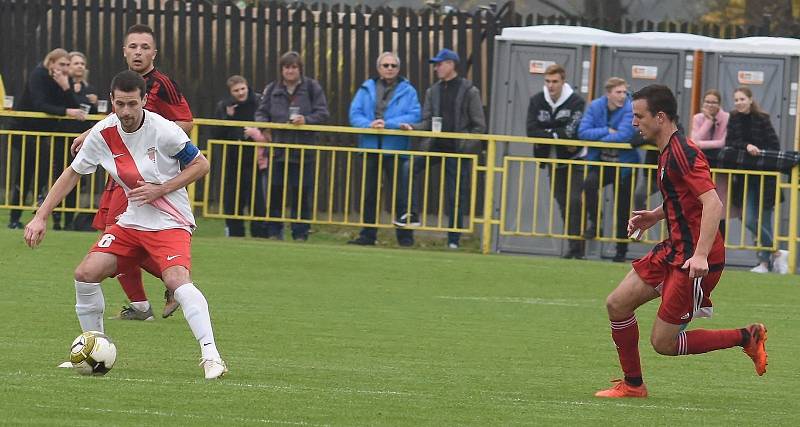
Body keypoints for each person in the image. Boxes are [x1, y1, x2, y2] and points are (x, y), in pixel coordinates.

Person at [23, 70, 227, 379]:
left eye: (133, 104)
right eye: (120, 104)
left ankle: (211, 356)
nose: (127, 111)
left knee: (176, 280)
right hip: (132, 221)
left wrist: (161, 188)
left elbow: (202, 164)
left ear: (144, 100)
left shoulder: (165, 130)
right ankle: (93, 348)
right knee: (86, 274)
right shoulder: (103, 133)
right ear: (112, 102)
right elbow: (72, 173)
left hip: (170, 220)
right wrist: (41, 216)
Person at [594, 84, 767, 399]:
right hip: (674, 250)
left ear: (660, 117)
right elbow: (684, 197)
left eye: (639, 116)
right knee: (616, 304)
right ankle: (633, 385)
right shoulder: (667, 150)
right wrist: (657, 215)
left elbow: (713, 204)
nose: (634, 123)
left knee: (664, 344)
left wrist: (700, 256)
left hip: (694, 260)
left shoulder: (683, 152)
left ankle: (747, 336)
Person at [72, 24, 193, 320]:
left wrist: (154, 140)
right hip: (121, 173)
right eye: (133, 46)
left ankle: (176, 284)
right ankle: (146, 301)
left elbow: (186, 122)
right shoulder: (123, 84)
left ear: (154, 52)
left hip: (148, 178)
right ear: (124, 51)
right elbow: (115, 119)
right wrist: (90, 133)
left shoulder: (162, 84)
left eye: (144, 47)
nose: (138, 52)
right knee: (114, 237)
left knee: (120, 238)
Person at [399, 48, 486, 249]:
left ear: (451, 64)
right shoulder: (433, 91)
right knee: (408, 167)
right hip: (434, 145)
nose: (436, 68)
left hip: (457, 149)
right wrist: (413, 127)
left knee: (455, 194)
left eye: (439, 64)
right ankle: (411, 213)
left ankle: (453, 239)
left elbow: (479, 126)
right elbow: (427, 120)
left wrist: (465, 144)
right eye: (435, 64)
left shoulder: (469, 90)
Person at [7, 48, 86, 230]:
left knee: (43, 171)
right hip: (24, 130)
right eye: (61, 64)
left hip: (43, 134)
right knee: (25, 173)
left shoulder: (63, 79)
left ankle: (40, 204)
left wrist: (65, 87)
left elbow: (76, 108)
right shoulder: (38, 75)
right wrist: (66, 111)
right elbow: (40, 104)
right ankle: (15, 216)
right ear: (51, 63)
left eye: (67, 65)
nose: (65, 68)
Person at [255, 51, 329, 241]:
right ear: (282, 70)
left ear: (300, 69)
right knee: (275, 191)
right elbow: (261, 113)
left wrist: (306, 120)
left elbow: (323, 113)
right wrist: (266, 127)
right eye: (287, 67)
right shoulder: (272, 89)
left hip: (304, 150)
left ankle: (300, 232)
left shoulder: (312, 87)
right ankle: (273, 231)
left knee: (301, 192)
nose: (290, 70)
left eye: (294, 67)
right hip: (278, 149)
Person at [348, 52, 421, 247]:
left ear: (398, 69)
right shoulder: (366, 88)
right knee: (369, 193)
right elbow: (354, 114)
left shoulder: (408, 90)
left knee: (401, 194)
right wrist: (369, 124)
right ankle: (367, 235)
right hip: (371, 146)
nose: (389, 68)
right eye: (386, 65)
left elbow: (414, 115)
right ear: (378, 68)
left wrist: (388, 124)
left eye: (393, 65)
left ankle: (405, 238)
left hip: (395, 147)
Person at [523, 63, 586, 258]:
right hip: (552, 160)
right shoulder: (536, 100)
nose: (551, 85)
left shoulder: (576, 102)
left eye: (555, 81)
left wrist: (549, 132)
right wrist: (556, 133)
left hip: (574, 159)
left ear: (563, 81)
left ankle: (578, 245)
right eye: (548, 81)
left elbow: (571, 131)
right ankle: (573, 244)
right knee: (562, 202)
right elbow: (531, 130)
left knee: (574, 201)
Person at [578, 77, 639, 262]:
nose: (622, 96)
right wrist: (606, 130)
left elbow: (624, 136)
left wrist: (598, 138)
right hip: (601, 162)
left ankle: (621, 250)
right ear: (608, 93)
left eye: (624, 92)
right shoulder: (596, 106)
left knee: (622, 208)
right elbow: (582, 132)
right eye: (618, 92)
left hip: (625, 166)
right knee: (589, 185)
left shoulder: (630, 108)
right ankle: (595, 223)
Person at [725, 87, 781, 273]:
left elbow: (774, 144)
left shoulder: (762, 118)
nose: (739, 102)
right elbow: (731, 142)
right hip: (745, 178)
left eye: (742, 99)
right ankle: (777, 252)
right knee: (748, 219)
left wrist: (758, 149)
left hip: (766, 176)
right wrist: (746, 146)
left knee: (764, 221)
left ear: (750, 100)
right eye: (736, 99)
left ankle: (764, 263)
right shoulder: (733, 118)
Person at [212, 75, 268, 238]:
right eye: (236, 90)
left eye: (242, 88)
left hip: (256, 156)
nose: (240, 93)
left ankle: (260, 232)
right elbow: (216, 133)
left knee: (257, 196)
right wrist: (228, 117)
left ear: (247, 87)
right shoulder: (224, 106)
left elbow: (266, 125)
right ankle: (234, 232)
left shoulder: (259, 102)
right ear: (231, 92)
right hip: (233, 157)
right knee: (233, 196)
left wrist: (254, 132)